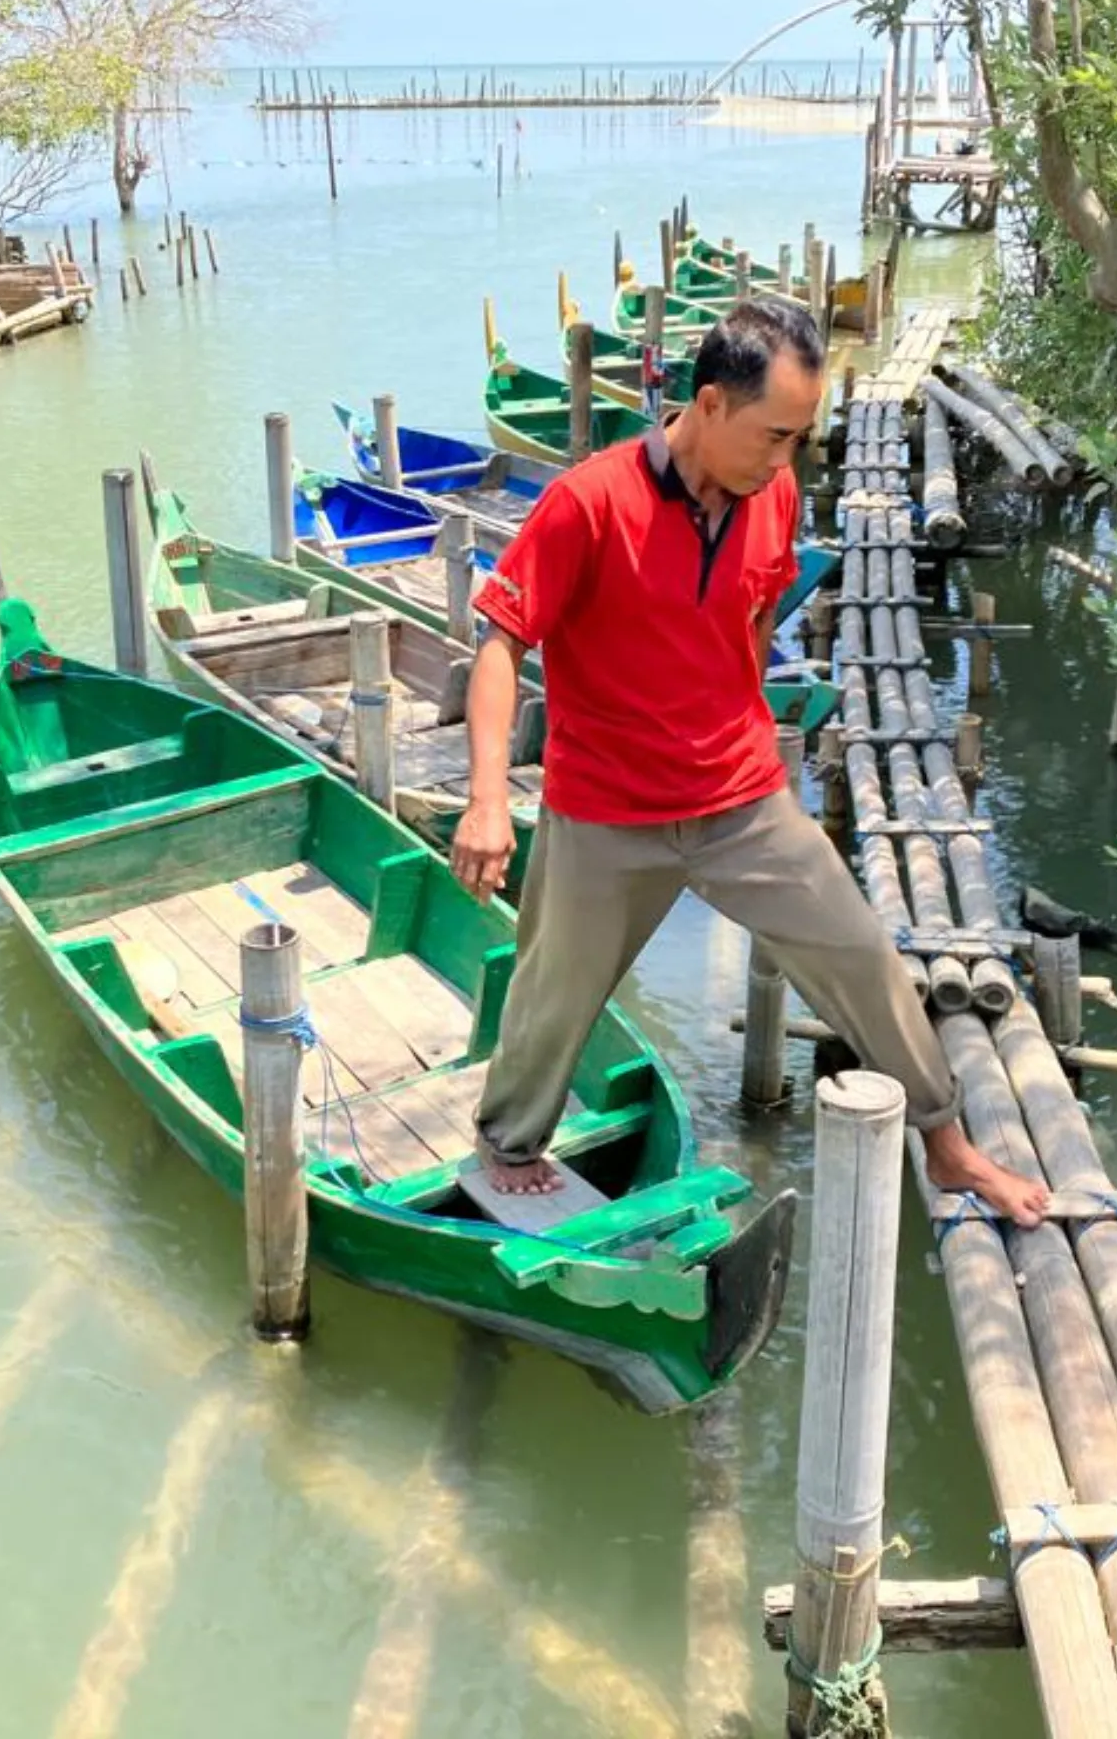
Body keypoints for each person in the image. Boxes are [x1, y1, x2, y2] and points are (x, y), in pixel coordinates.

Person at [447, 295, 1049, 1226]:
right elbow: (499, 642)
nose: (786, 460)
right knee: (551, 992)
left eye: (800, 439)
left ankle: (948, 1142)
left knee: (859, 953)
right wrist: (489, 802)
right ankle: (509, 1145)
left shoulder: (774, 497)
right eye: (774, 434)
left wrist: (738, 721)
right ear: (710, 404)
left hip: (738, 798)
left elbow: (756, 619)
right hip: (606, 809)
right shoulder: (589, 503)